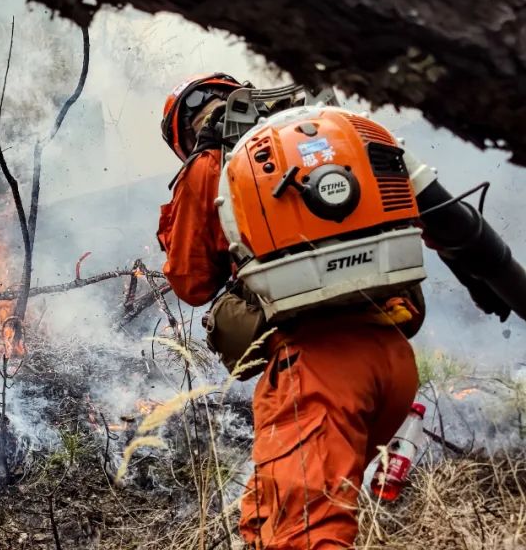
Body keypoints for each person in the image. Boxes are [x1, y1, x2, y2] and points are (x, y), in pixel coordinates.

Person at [155, 74, 421, 548]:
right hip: (391, 354)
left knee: (306, 536)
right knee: (266, 516)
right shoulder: (337, 132)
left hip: (315, 372)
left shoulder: (212, 161)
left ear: (185, 134)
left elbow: (191, 283)